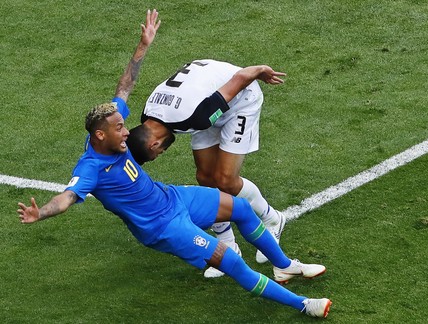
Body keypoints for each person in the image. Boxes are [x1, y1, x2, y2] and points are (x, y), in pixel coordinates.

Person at [16, 9, 332, 318]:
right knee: (233, 265)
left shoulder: (111, 132)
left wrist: (143, 45)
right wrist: (39, 212)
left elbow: (124, 87)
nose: (127, 130)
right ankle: (304, 304)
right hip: (164, 227)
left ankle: (285, 265)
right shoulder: (90, 168)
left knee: (242, 209)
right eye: (119, 128)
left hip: (172, 197)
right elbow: (66, 198)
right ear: (100, 136)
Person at [125, 58, 288, 277]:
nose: (161, 153)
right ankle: (229, 245)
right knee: (205, 177)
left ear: (153, 143)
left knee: (226, 180)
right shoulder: (149, 115)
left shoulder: (194, 117)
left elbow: (239, 78)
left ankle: (273, 219)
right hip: (205, 102)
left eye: (157, 153)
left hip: (240, 100)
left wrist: (260, 70)